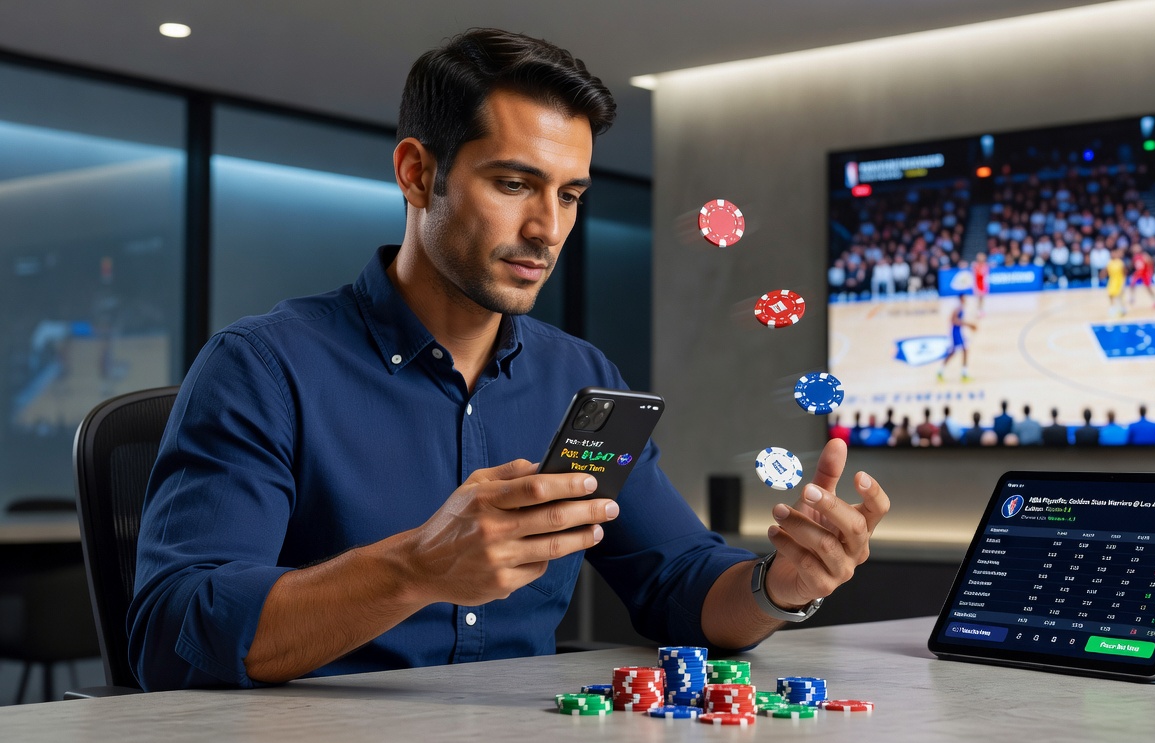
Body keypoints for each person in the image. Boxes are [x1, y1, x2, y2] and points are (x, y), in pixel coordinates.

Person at [128, 29, 891, 692]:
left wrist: (778, 587)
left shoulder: (579, 381)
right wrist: (415, 568)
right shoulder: (263, 367)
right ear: (417, 173)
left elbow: (677, 580)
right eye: (515, 183)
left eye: (570, 195)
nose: (547, 229)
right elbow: (173, 633)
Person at [937, 294, 978, 382]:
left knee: (961, 351)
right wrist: (969, 325)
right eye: (964, 298)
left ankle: (943, 372)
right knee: (961, 350)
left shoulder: (961, 308)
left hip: (958, 332)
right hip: (955, 333)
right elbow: (953, 320)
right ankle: (963, 374)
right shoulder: (958, 308)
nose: (965, 300)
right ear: (961, 299)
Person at [1127, 244, 1155, 309]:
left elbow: (1150, 263)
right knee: (1132, 284)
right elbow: (1134, 265)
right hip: (1138, 273)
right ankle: (1132, 297)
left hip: (1145, 273)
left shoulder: (1145, 256)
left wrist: (1150, 272)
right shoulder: (1135, 257)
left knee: (1148, 288)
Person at [1103, 250, 1127, 317]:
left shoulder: (1120, 262)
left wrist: (1123, 282)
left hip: (1119, 280)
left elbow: (1124, 272)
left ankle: (1122, 308)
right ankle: (1112, 307)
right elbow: (1106, 271)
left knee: (1119, 296)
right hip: (1112, 280)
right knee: (1110, 294)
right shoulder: (1109, 262)